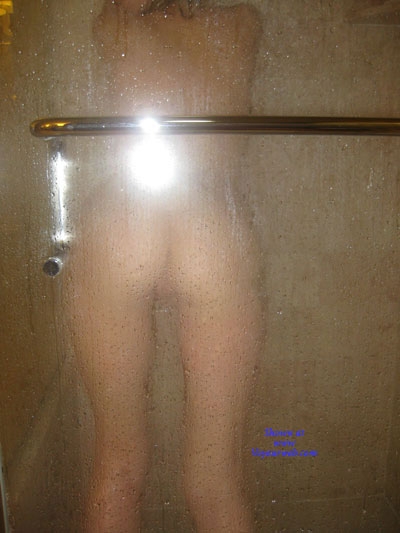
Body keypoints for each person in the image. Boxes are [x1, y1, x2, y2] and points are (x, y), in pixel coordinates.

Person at [66, 1, 263, 531]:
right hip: (212, 221)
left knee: (117, 460)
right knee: (216, 478)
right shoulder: (241, 21)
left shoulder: (116, 20)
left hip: (124, 217)